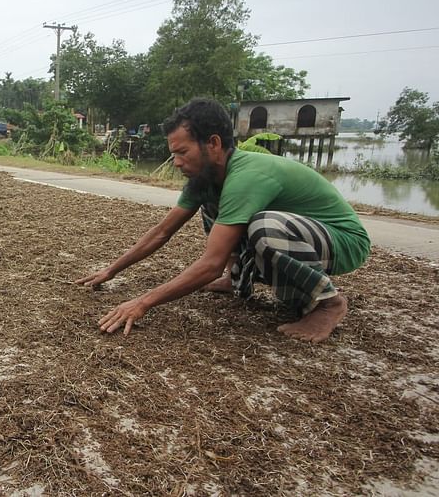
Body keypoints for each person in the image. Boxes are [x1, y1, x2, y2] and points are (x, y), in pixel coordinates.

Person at [75, 98, 370, 343]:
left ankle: (328, 303)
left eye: (182, 152)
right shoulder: (208, 179)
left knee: (264, 227)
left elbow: (209, 264)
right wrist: (110, 271)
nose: (176, 162)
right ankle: (237, 277)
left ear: (213, 143)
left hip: (342, 241)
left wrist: (141, 303)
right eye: (173, 154)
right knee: (213, 207)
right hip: (301, 235)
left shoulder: (246, 176)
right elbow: (162, 232)